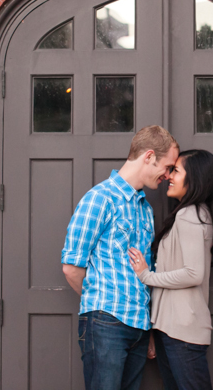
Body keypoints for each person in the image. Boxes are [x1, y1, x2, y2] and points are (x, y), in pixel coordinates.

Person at [61, 125, 180, 390]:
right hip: (106, 324)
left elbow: (143, 274)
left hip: (138, 327)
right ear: (149, 156)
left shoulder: (145, 210)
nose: (168, 175)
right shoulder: (99, 199)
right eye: (168, 166)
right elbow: (71, 267)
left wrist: (146, 329)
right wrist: (103, 304)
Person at [127, 149, 213, 390]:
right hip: (172, 330)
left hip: (182, 332)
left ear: (196, 178)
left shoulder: (189, 214)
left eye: (176, 171)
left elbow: (194, 273)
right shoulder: (191, 214)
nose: (169, 176)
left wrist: (146, 276)